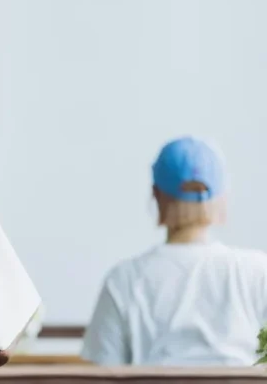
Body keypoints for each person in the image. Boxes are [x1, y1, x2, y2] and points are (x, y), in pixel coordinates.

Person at [81, 136, 267, 366]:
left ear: (156, 195)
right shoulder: (257, 271)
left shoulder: (123, 280)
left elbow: (102, 373)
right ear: (220, 197)